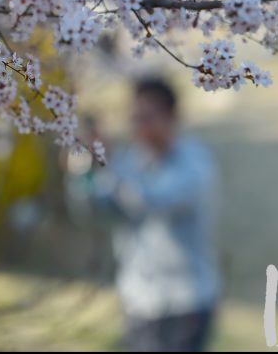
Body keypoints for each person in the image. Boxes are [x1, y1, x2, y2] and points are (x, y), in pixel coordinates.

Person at [68, 77, 220, 352]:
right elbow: (93, 209)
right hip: (139, 299)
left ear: (171, 116)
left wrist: (110, 166)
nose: (139, 126)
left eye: (147, 117)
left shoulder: (194, 161)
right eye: (135, 117)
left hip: (186, 302)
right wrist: (83, 168)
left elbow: (153, 200)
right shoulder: (130, 161)